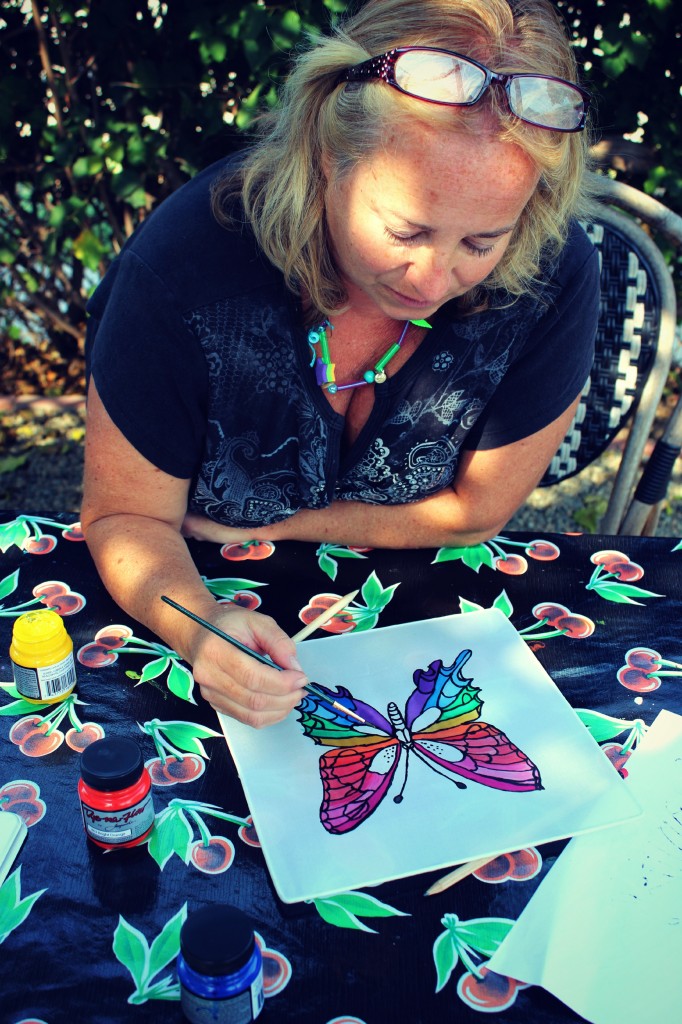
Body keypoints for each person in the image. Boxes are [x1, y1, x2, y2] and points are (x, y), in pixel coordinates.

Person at [82, 0, 600, 727]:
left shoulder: (552, 270)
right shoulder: (185, 268)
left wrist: (291, 522)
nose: (429, 279)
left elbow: (476, 512)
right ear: (327, 158)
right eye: (404, 229)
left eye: (481, 243)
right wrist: (199, 623)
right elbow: (125, 515)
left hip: (434, 649)